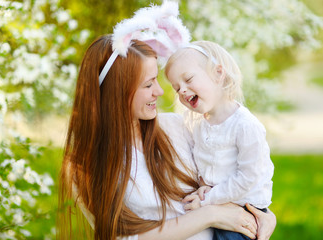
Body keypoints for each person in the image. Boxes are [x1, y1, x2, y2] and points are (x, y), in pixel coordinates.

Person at [58, 2, 276, 240]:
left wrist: (262, 215)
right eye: (148, 84)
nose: (160, 92)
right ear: (117, 93)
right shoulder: (85, 164)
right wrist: (211, 215)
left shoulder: (178, 127)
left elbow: (231, 173)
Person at [165, 40, 274, 240]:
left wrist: (207, 199)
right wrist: (203, 184)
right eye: (176, 87)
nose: (182, 90)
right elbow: (203, 162)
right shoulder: (198, 122)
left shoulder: (245, 126)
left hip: (244, 211)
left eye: (188, 79)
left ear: (218, 73)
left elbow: (248, 178)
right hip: (217, 206)